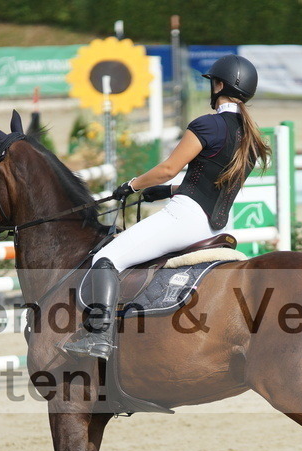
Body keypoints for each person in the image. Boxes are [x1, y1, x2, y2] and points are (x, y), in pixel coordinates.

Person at [63, 54, 271, 360]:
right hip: (219, 227)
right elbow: (215, 183)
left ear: (219, 85)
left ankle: (98, 337)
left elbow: (168, 169)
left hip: (185, 219)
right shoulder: (252, 138)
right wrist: (168, 191)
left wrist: (132, 185)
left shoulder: (207, 125)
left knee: (106, 258)